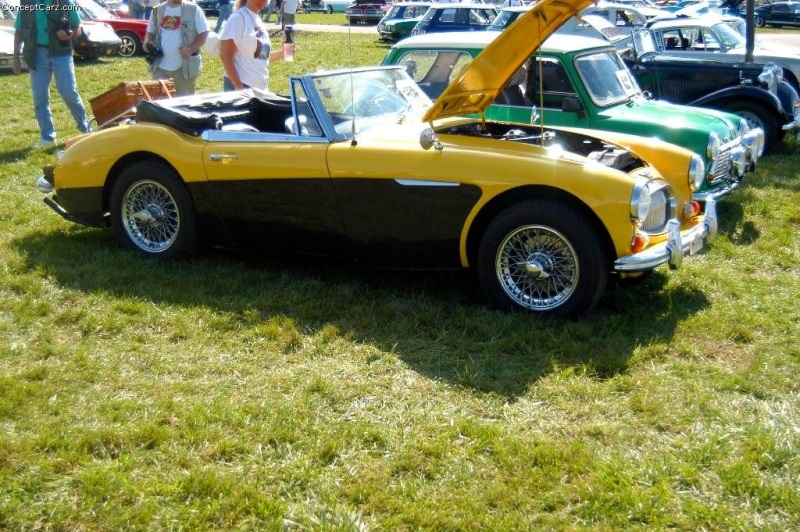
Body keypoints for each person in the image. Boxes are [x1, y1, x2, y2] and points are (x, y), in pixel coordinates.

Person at [12, 0, 91, 148]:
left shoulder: (65, 1)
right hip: (37, 54)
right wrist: (15, 57)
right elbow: (19, 30)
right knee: (40, 97)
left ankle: (85, 129)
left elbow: (78, 28)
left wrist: (68, 34)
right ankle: (47, 138)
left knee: (69, 93)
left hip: (61, 54)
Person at [219, 0, 289, 92]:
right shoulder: (238, 19)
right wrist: (240, 90)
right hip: (241, 86)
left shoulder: (257, 20)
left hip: (260, 87)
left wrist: (283, 52)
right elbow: (225, 57)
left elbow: (260, 56)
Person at [143, 0, 209, 96]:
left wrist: (191, 49)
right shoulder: (157, 10)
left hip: (184, 69)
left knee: (184, 105)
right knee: (158, 105)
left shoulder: (193, 9)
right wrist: (146, 42)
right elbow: (151, 32)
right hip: (160, 67)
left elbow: (204, 33)